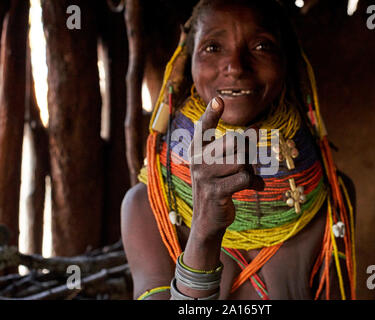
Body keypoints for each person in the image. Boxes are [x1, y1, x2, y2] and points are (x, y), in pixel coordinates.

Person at [121, 0, 356, 300]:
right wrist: (203, 231)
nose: (236, 66)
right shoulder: (147, 206)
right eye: (213, 47)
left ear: (288, 61)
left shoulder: (331, 199)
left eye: (261, 46)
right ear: (186, 60)